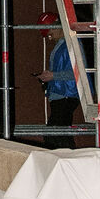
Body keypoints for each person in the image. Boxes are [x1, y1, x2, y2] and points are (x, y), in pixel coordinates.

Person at [37, 17, 80, 147]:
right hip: (61, 94)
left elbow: (79, 72)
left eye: (50, 34)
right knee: (58, 134)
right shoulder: (63, 46)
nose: (50, 38)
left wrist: (53, 76)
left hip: (66, 94)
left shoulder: (70, 45)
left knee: (56, 135)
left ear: (58, 27)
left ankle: (69, 161)